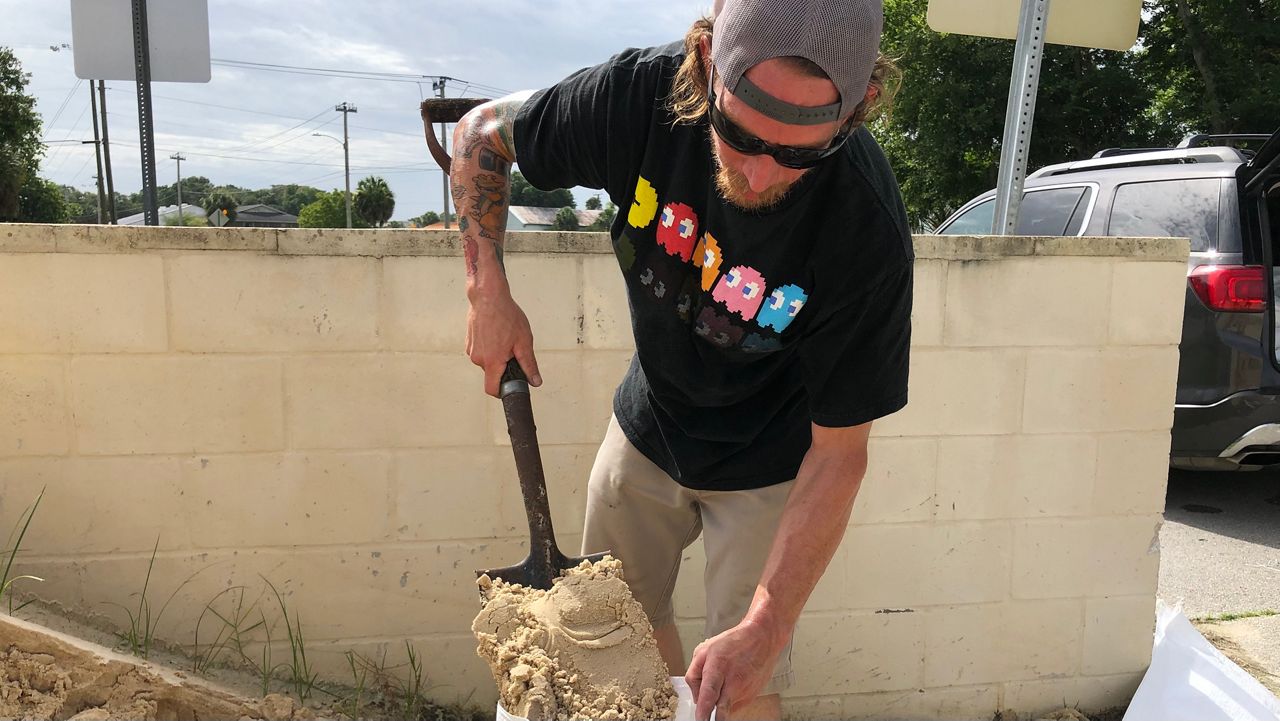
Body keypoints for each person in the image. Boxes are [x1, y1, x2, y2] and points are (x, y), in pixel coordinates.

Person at [451, 0, 912, 717]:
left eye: (799, 153)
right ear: (703, 63)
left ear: (858, 110)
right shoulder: (637, 97)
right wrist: (487, 290)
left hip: (773, 458)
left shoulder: (865, 226)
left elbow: (840, 453)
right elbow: (480, 134)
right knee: (616, 652)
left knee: (744, 687)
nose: (760, 176)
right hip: (650, 423)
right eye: (738, 134)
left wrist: (769, 624)